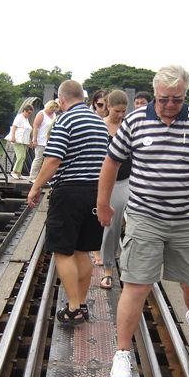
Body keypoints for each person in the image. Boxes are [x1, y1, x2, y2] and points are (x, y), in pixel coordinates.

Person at [96, 65, 189, 377]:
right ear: (155, 93)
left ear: (185, 94)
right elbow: (112, 162)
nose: (171, 105)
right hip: (145, 217)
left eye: (177, 98)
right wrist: (103, 204)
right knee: (136, 284)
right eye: (164, 99)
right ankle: (122, 353)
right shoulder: (134, 122)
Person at [28, 80, 108, 324]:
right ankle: (81, 304)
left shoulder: (65, 120)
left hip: (69, 192)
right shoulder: (99, 122)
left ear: (61, 100)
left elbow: (53, 160)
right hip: (94, 193)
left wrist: (35, 186)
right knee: (82, 251)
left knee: (62, 251)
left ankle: (73, 307)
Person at [97, 90, 130, 290]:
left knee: (136, 223)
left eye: (124, 111)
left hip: (130, 180)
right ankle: (108, 269)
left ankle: (132, 268)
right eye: (117, 111)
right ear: (108, 107)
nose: (121, 115)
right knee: (111, 225)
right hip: (110, 183)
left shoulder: (129, 127)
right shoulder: (100, 127)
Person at [88, 89, 109, 265]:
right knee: (95, 213)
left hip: (112, 175)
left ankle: (104, 250)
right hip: (93, 174)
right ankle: (96, 252)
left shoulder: (117, 122)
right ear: (94, 104)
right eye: (100, 104)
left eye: (105, 105)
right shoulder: (90, 121)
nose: (103, 108)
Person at [28, 99, 59, 183]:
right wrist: (34, 139)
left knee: (47, 161)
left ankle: (44, 178)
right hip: (41, 140)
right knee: (38, 159)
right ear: (49, 107)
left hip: (49, 141)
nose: (53, 111)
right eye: (52, 109)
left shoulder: (54, 115)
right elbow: (36, 127)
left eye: (54, 110)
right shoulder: (41, 114)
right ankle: (33, 177)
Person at [6, 104, 34, 179]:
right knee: (20, 156)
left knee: (23, 156)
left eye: (30, 113)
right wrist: (13, 136)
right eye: (28, 113)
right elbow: (14, 127)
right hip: (18, 140)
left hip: (23, 141)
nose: (29, 115)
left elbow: (27, 131)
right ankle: (14, 171)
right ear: (24, 111)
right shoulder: (19, 117)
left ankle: (18, 172)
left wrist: (29, 141)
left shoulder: (26, 119)